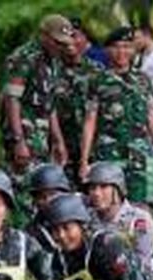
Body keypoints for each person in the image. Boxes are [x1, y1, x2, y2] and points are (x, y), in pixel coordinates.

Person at [80, 26, 153, 202]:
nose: (122, 52)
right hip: (108, 153)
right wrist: (84, 160)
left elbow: (152, 116)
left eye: (127, 46)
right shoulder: (98, 80)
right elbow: (90, 120)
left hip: (138, 154)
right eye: (117, 46)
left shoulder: (142, 79)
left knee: (137, 201)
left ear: (134, 49)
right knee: (109, 202)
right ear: (107, 50)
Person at [0, 14, 73, 173]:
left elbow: (49, 104)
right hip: (23, 136)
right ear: (43, 35)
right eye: (57, 42)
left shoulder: (53, 61)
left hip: (41, 137)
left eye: (63, 44)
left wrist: (58, 141)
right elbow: (12, 100)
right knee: (22, 187)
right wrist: (19, 141)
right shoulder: (23, 57)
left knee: (41, 187)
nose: (60, 47)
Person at [85, 161, 153, 270]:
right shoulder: (86, 217)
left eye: (103, 186)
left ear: (118, 189)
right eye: (92, 187)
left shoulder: (138, 220)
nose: (96, 193)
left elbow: (142, 261)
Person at [55, 23, 103, 186]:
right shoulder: (51, 70)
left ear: (85, 40)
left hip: (90, 147)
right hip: (58, 144)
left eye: (75, 35)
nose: (70, 42)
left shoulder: (97, 71)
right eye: (67, 36)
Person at [25, 163, 71, 252]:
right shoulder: (32, 232)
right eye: (42, 197)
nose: (48, 201)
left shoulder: (82, 222)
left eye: (53, 194)